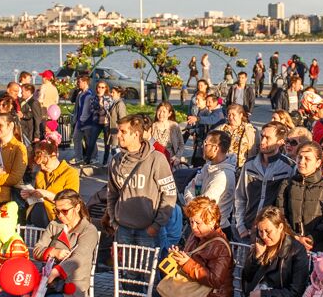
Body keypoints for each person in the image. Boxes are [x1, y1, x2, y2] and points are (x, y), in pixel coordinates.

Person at [105, 115, 177, 248]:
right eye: (118, 131)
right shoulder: (115, 160)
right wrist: (114, 221)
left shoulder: (157, 159)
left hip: (148, 230)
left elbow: (169, 194)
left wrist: (157, 225)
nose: (118, 135)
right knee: (125, 269)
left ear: (136, 134)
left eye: (123, 131)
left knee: (149, 268)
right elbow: (112, 194)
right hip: (123, 229)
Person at [275, 141, 323, 254]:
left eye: (307, 159)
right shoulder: (287, 184)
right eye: (299, 157)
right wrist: (295, 237)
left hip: (319, 247)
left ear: (318, 163)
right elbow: (280, 215)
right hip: (290, 244)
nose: (301, 162)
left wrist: (311, 238)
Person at [233, 121, 294, 240]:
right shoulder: (249, 164)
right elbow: (240, 196)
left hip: (273, 232)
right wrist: (240, 226)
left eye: (268, 138)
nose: (262, 141)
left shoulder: (289, 167)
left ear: (280, 142)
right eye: (262, 136)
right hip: (248, 229)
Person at [183, 129, 236, 233]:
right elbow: (189, 188)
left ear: (216, 148)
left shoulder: (222, 176)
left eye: (206, 143)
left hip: (214, 230)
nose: (203, 146)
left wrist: (192, 201)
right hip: (200, 226)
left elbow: (203, 206)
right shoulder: (208, 166)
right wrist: (193, 199)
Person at [22, 139, 79, 226]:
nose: (42, 167)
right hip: (41, 218)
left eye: (45, 162)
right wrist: (30, 195)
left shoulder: (70, 173)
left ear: (54, 155)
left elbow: (71, 202)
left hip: (61, 219)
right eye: (39, 164)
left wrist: (47, 194)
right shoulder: (40, 174)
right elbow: (38, 200)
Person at [71, 74, 101, 167]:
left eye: (79, 82)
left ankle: (93, 158)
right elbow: (77, 107)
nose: (77, 83)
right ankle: (78, 157)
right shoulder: (80, 93)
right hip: (79, 121)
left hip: (88, 121)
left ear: (85, 82)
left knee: (89, 140)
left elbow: (92, 109)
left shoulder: (90, 94)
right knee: (76, 138)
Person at [219, 104, 255, 169]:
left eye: (233, 115)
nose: (230, 117)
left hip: (241, 167)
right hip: (223, 165)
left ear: (241, 115)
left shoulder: (248, 129)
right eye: (229, 114)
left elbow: (253, 149)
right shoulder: (222, 128)